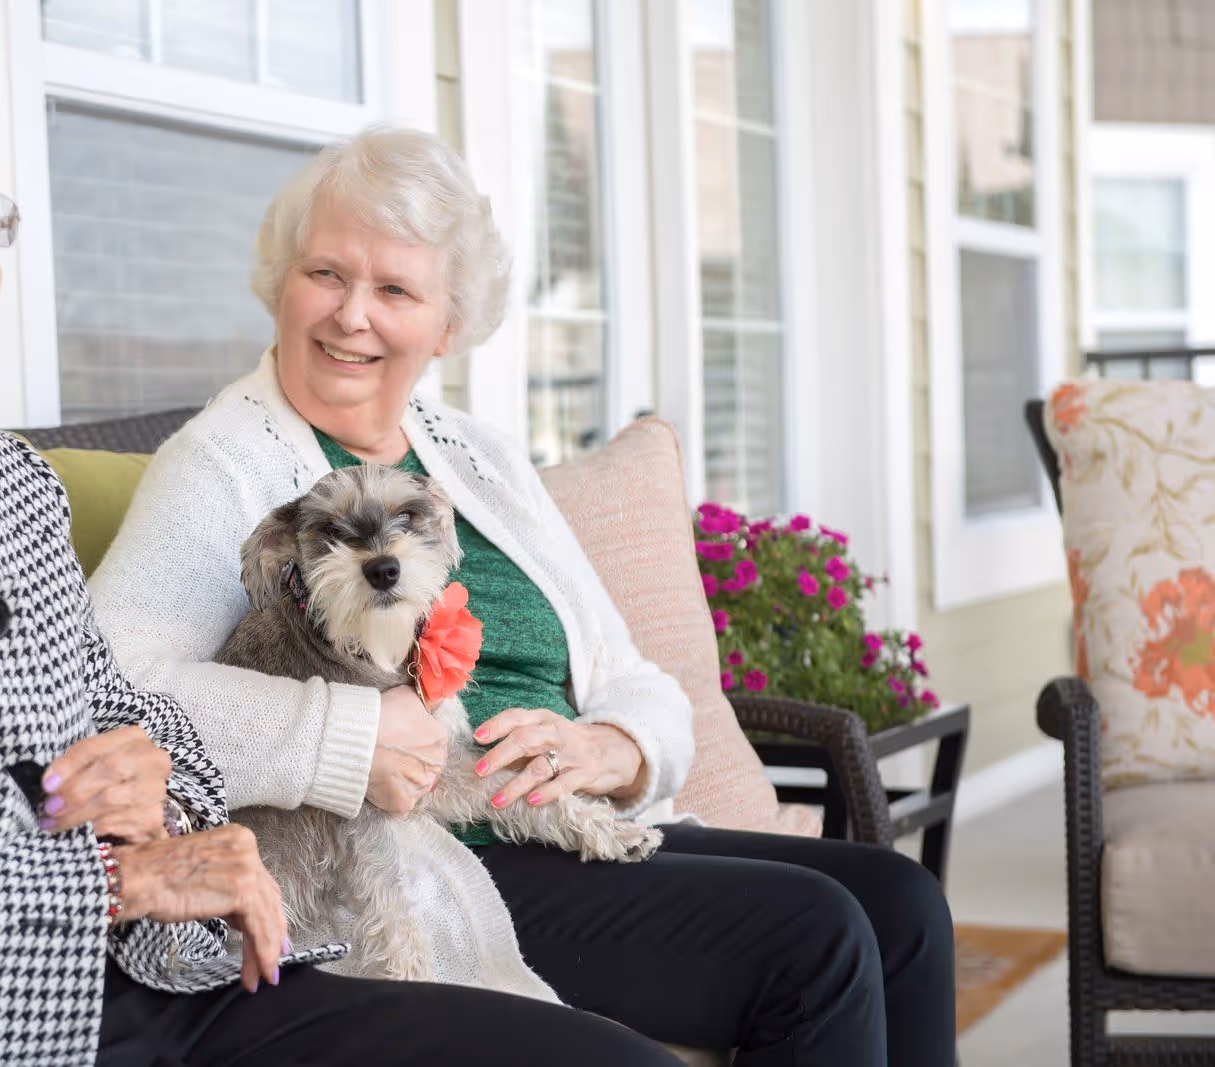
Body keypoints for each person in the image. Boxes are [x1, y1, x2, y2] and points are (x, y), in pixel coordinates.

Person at [0, 38, 681, 1065]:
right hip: (9, 1024)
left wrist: (152, 796)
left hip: (189, 974)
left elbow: (136, 723)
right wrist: (111, 868)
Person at [90, 125, 958, 1065]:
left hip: (570, 822)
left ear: (447, 324)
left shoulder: (475, 457)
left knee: (901, 901)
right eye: (326, 275)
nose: (351, 316)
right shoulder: (221, 463)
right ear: (282, 281)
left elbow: (627, 668)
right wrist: (344, 739)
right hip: (443, 850)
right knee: (817, 934)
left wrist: (614, 747)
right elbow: (110, 682)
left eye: (394, 289)